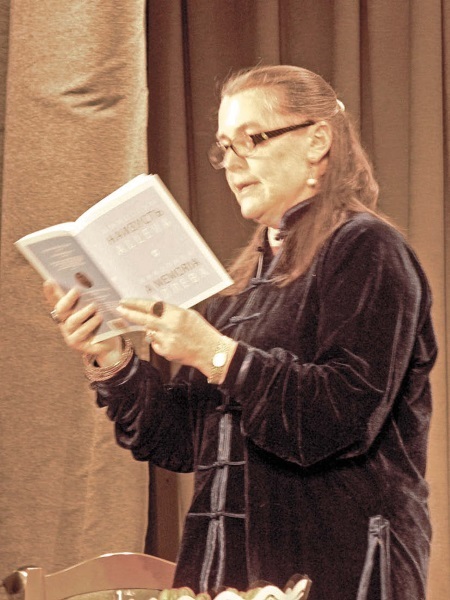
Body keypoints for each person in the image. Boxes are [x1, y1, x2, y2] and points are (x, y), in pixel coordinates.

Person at [44, 65, 437, 600]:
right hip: (225, 575)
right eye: (225, 147)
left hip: (340, 569)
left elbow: (341, 417)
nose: (232, 164)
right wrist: (112, 359)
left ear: (317, 140)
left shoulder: (368, 249)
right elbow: (183, 443)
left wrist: (216, 354)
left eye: (251, 139)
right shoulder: (237, 289)